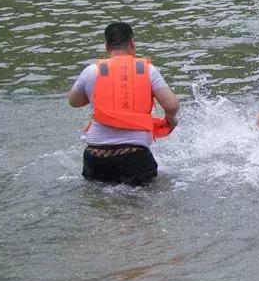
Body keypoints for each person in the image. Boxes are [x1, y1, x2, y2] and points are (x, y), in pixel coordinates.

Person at [67, 22, 180, 185]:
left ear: (107, 46)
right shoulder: (147, 70)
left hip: (96, 157)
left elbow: (74, 102)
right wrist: (170, 119)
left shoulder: (92, 70)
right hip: (134, 156)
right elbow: (172, 105)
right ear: (133, 43)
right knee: (144, 206)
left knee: (98, 204)